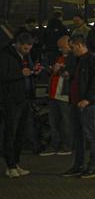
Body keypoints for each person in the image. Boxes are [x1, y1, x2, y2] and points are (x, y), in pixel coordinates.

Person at [61, 35, 95, 180]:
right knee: (78, 135)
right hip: (75, 101)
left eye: (72, 47)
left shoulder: (92, 60)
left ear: (79, 45)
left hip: (86, 103)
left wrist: (87, 99)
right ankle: (78, 165)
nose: (71, 50)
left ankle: (92, 165)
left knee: (90, 134)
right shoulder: (78, 60)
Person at [1, 33, 38, 178]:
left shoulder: (25, 56)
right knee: (10, 132)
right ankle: (10, 165)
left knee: (20, 133)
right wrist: (20, 73)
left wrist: (33, 72)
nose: (27, 50)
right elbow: (3, 76)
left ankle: (15, 163)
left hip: (24, 99)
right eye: (25, 48)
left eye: (29, 48)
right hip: (12, 100)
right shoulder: (5, 56)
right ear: (17, 44)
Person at [41, 35, 74, 157]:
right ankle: (56, 145)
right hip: (54, 94)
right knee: (54, 122)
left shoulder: (73, 58)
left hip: (63, 95)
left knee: (65, 122)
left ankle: (66, 145)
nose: (60, 49)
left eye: (62, 47)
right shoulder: (60, 58)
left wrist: (58, 70)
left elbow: (70, 74)